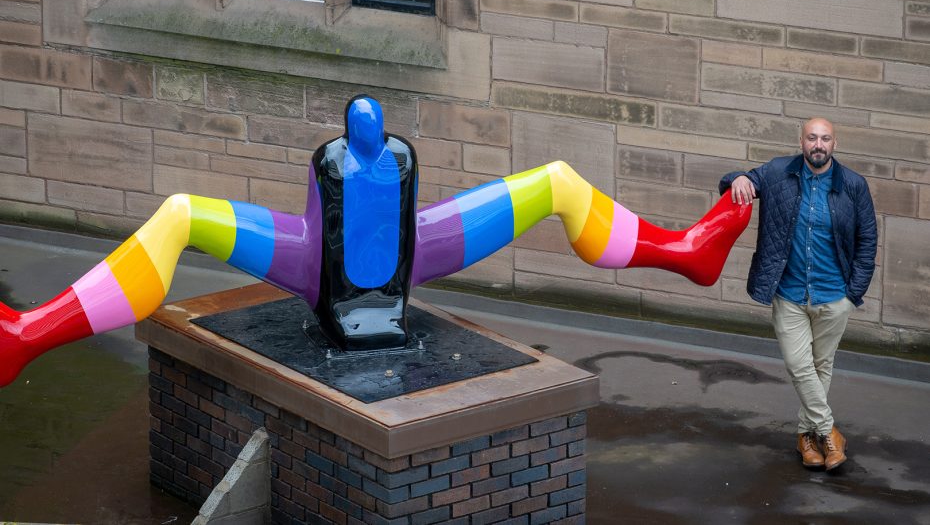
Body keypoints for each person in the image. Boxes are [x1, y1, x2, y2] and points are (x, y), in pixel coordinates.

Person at [0, 95, 754, 386]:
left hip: (360, 251)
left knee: (178, 216)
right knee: (554, 182)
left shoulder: (374, 165)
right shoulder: (369, 164)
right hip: (364, 252)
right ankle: (31, 334)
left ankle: (683, 250)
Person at [720, 118, 877, 471]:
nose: (818, 144)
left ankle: (806, 437)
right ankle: (829, 432)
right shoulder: (778, 172)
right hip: (789, 294)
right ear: (801, 141)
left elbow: (868, 240)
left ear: (834, 143)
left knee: (821, 366)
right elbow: (739, 179)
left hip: (834, 296)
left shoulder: (853, 185)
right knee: (799, 366)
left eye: (825, 138)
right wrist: (739, 177)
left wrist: (852, 294)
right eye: (812, 138)